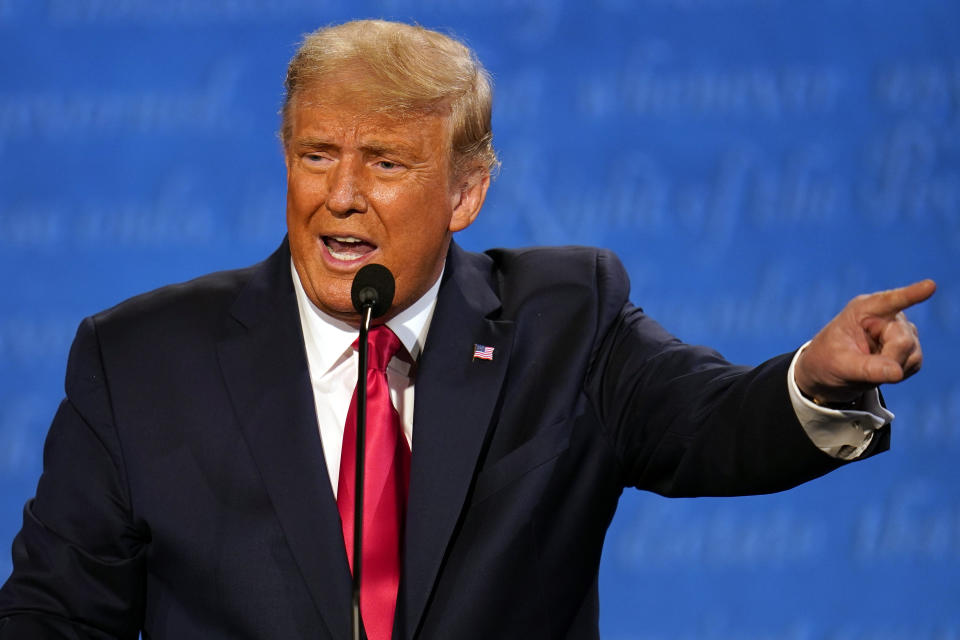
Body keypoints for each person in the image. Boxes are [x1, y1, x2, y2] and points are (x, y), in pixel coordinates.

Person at [0, 19, 933, 640]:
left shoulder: (565, 322)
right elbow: (55, 615)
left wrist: (819, 377)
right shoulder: (141, 360)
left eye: (387, 161)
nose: (341, 195)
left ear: (467, 191)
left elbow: (711, 425)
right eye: (316, 153)